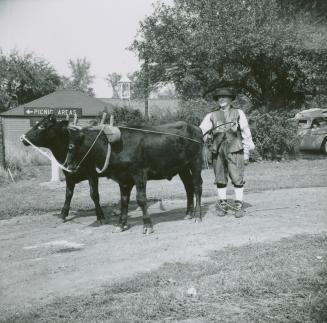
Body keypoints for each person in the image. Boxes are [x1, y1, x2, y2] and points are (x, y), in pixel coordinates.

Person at [200, 88, 254, 218]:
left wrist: (246, 152)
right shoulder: (211, 116)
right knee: (220, 179)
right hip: (217, 151)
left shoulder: (238, 113)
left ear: (230, 99)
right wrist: (206, 137)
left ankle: (238, 206)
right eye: (219, 97)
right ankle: (222, 205)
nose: (221, 99)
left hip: (235, 150)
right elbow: (201, 132)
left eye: (224, 97)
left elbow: (246, 133)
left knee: (237, 178)